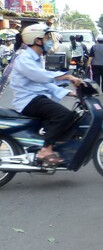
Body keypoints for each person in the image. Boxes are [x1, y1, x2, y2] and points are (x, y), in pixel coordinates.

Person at [9, 23, 84, 167]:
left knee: (71, 117)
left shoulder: (36, 58)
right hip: (28, 101)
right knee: (63, 115)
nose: (50, 41)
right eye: (47, 37)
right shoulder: (24, 59)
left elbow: (44, 84)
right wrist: (68, 77)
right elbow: (42, 77)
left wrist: (70, 93)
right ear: (37, 40)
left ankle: (50, 146)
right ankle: (45, 150)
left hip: (36, 98)